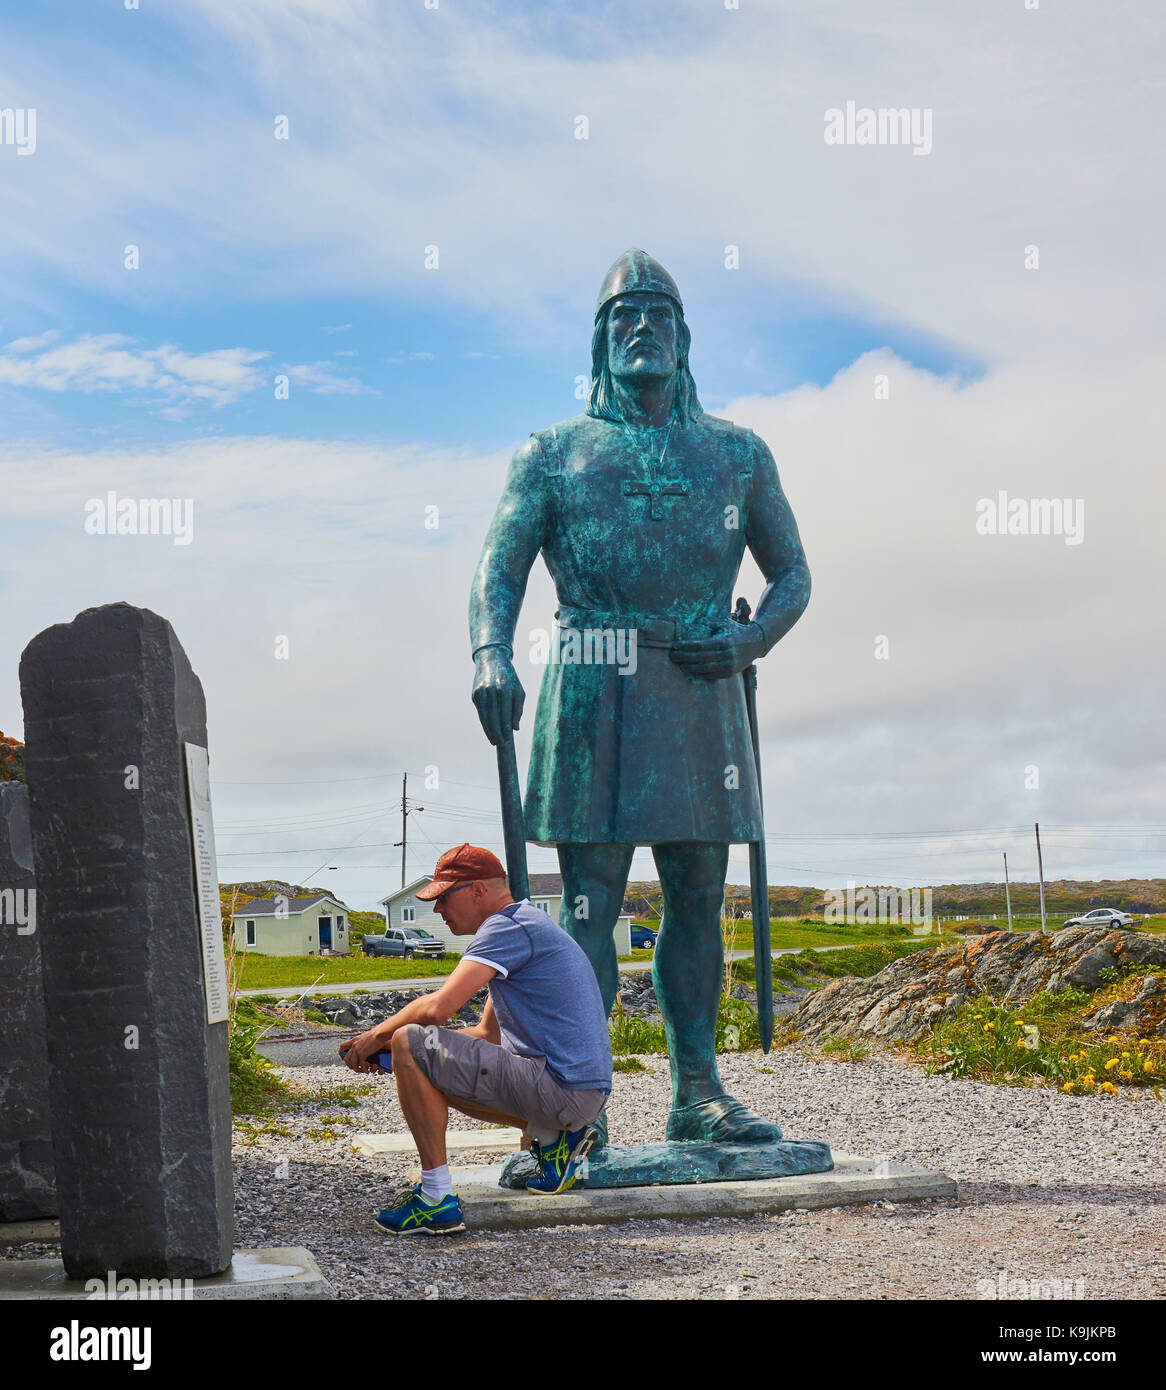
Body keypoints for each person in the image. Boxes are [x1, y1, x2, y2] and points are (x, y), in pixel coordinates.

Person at [469, 249, 811, 1145]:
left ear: (685, 336)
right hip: (595, 682)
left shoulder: (737, 453)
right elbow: (498, 564)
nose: (642, 328)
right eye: (623, 317)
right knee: (588, 903)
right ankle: (579, 1101)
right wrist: (488, 653)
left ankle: (697, 1091)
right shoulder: (554, 454)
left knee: (699, 895)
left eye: (658, 314)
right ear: (599, 341)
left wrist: (748, 639)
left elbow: (794, 576)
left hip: (702, 686)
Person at [340, 843, 612, 1235]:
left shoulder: (505, 927)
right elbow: (486, 1034)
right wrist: (393, 1055)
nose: (438, 910)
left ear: (478, 890)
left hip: (562, 1089)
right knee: (413, 1054)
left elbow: (437, 1010)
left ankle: (435, 1201)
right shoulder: (527, 923)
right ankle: (555, 1142)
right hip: (580, 1095)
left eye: (444, 898)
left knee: (407, 1039)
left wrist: (381, 1036)